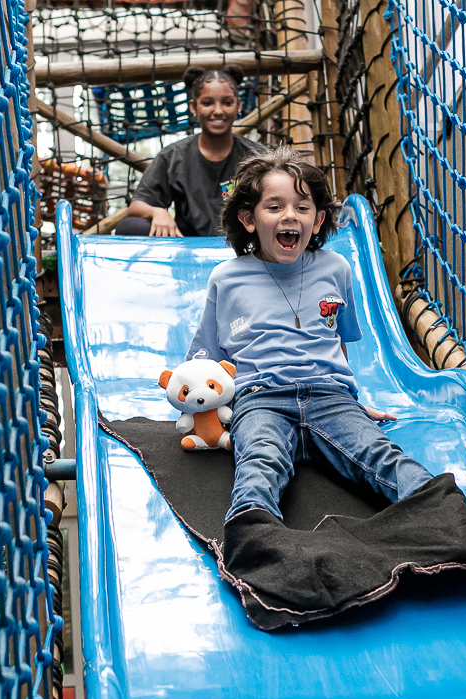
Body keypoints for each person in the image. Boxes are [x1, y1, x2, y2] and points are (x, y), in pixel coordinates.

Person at [183, 147, 435, 526]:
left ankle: (442, 509)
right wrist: (206, 417)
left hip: (328, 396)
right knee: (259, 459)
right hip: (260, 398)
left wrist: (351, 399)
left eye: (302, 208)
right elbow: (205, 363)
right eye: (275, 207)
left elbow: (339, 345)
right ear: (249, 219)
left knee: (377, 454)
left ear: (317, 221)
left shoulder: (336, 268)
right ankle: (255, 531)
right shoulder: (227, 278)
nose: (290, 216)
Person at [118, 66, 266, 238]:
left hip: (245, 246)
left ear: (238, 105)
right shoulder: (174, 156)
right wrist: (157, 212)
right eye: (207, 103)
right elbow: (137, 205)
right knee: (130, 226)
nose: (218, 111)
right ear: (193, 107)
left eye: (227, 103)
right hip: (188, 249)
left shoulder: (259, 156)